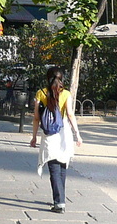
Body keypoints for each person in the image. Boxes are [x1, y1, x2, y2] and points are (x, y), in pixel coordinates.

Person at [29, 66, 82, 213]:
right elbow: (70, 115)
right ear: (62, 79)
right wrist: (77, 134)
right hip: (63, 132)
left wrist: (34, 137)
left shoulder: (41, 93)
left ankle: (59, 202)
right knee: (62, 166)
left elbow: (36, 118)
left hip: (48, 134)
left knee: (53, 167)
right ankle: (60, 199)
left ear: (48, 78)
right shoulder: (66, 94)